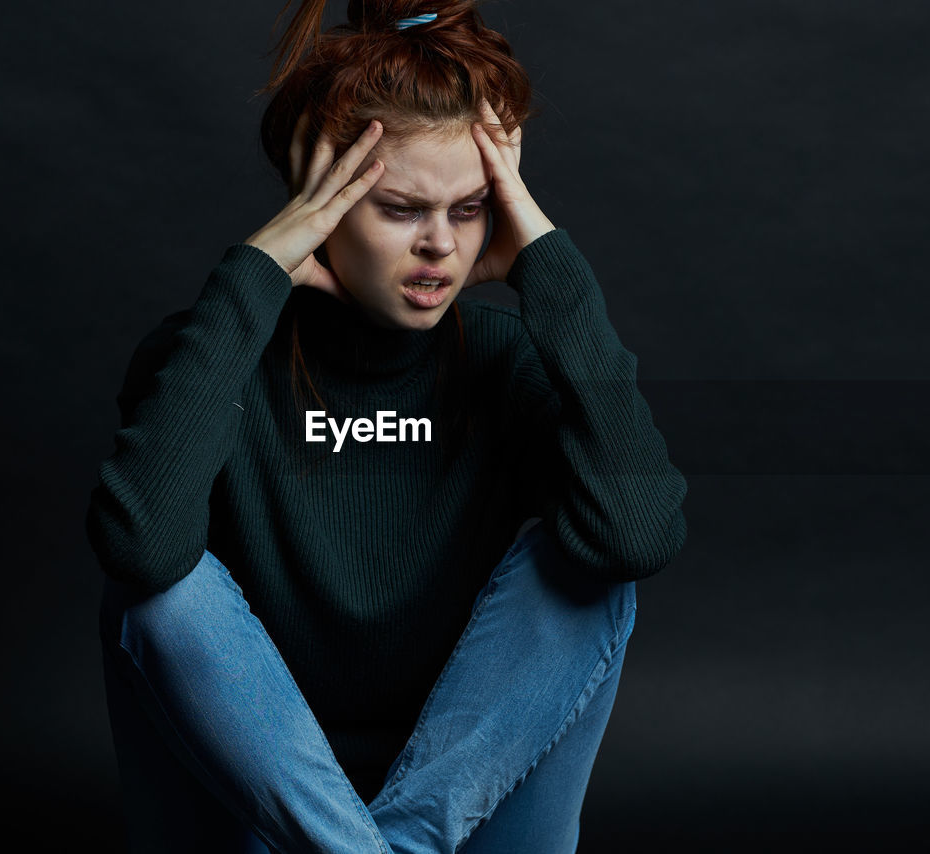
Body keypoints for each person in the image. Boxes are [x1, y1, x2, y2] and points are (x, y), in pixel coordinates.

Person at [86, 2, 688, 851]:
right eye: (402, 209)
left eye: (471, 208)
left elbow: (638, 535)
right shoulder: (210, 353)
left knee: (589, 567)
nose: (441, 246)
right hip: (264, 814)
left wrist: (550, 270)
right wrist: (251, 279)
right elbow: (140, 552)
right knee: (158, 594)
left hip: (467, 806)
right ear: (322, 209)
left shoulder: (505, 361)